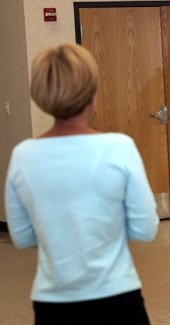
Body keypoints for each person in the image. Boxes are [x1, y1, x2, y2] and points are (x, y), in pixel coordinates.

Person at [4, 44, 159, 324]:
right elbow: (145, 229)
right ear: (92, 94)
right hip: (117, 298)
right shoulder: (119, 148)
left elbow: (23, 237)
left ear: (41, 95)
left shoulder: (23, 156)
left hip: (52, 304)